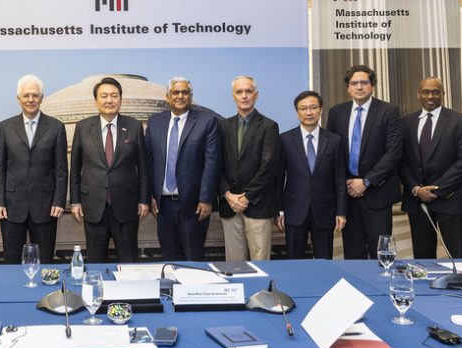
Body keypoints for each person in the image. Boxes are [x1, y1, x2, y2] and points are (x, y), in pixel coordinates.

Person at [326, 65, 402, 259]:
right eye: (354, 83)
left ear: (372, 85)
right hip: (348, 194)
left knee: (380, 254)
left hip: (377, 194)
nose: (359, 87)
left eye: (364, 82)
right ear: (348, 88)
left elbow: (393, 152)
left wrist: (367, 181)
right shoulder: (337, 113)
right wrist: (345, 184)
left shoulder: (389, 111)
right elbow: (332, 152)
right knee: (352, 254)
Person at [70, 77, 150, 262]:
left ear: (121, 99)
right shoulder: (83, 127)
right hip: (93, 206)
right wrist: (75, 201)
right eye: (104, 96)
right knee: (95, 262)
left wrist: (144, 200)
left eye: (114, 95)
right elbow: (75, 169)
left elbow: (143, 168)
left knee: (129, 260)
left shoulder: (134, 126)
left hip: (127, 205)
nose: (109, 100)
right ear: (96, 100)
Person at [0, 75, 67, 264]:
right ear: (18, 98)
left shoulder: (56, 127)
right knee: (11, 261)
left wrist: (59, 201)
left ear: (42, 98)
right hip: (11, 207)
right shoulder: (5, 127)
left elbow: (61, 170)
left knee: (45, 260)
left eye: (35, 95)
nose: (31, 100)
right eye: (26, 95)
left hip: (45, 207)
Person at [146, 77, 221, 261]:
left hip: (194, 206)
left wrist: (206, 198)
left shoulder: (207, 121)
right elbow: (149, 162)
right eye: (176, 92)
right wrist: (151, 196)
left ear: (191, 96)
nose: (180, 96)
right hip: (163, 206)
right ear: (167, 97)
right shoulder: (155, 122)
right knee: (170, 259)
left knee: (193, 259)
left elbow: (212, 163)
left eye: (185, 92)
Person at [399, 77, 462, 259]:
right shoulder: (406, 122)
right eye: (426, 92)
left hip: (451, 199)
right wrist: (416, 189)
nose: (430, 96)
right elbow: (401, 161)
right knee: (423, 258)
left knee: (458, 256)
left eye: (436, 92)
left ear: (443, 94)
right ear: (419, 94)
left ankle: (459, 286)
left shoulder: (460, 121)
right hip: (418, 201)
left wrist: (436, 190)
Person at [277, 91, 346, 259]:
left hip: (325, 210)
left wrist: (341, 211)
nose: (309, 112)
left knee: (324, 260)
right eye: (303, 108)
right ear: (297, 112)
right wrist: (279, 210)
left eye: (313, 107)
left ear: (321, 110)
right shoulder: (284, 139)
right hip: (294, 209)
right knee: (294, 260)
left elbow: (339, 178)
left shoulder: (334, 140)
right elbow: (278, 178)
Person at [218, 76, 280, 261]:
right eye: (239, 92)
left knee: (261, 265)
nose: (244, 96)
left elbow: (269, 167)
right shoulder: (222, 126)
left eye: (248, 91)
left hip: (257, 205)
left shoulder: (269, 126)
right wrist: (228, 195)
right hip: (229, 206)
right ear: (233, 96)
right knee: (234, 265)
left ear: (256, 95)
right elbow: (216, 164)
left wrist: (246, 197)